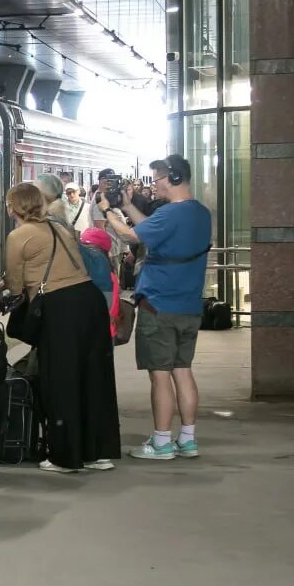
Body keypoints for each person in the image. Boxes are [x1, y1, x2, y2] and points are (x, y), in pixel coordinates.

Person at [96, 154, 212, 461]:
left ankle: (161, 443)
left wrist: (108, 211)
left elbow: (129, 235)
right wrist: (127, 206)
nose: (154, 185)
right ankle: (187, 440)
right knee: (182, 371)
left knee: (159, 375)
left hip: (159, 306)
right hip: (189, 306)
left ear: (173, 178)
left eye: (158, 179)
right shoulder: (200, 213)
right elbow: (150, 228)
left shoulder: (171, 214)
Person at [3, 183, 121, 473]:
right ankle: (98, 452)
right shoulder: (60, 228)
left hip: (60, 308)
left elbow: (16, 285)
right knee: (94, 378)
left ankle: (65, 456)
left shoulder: (18, 236)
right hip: (90, 301)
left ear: (13, 207)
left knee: (61, 380)